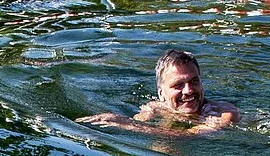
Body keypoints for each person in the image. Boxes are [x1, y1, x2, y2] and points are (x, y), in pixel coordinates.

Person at [81, 48, 239, 133]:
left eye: (194, 81)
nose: (189, 90)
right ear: (161, 93)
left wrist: (120, 123)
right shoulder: (155, 107)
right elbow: (138, 122)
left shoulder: (223, 113)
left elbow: (187, 136)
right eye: (178, 85)